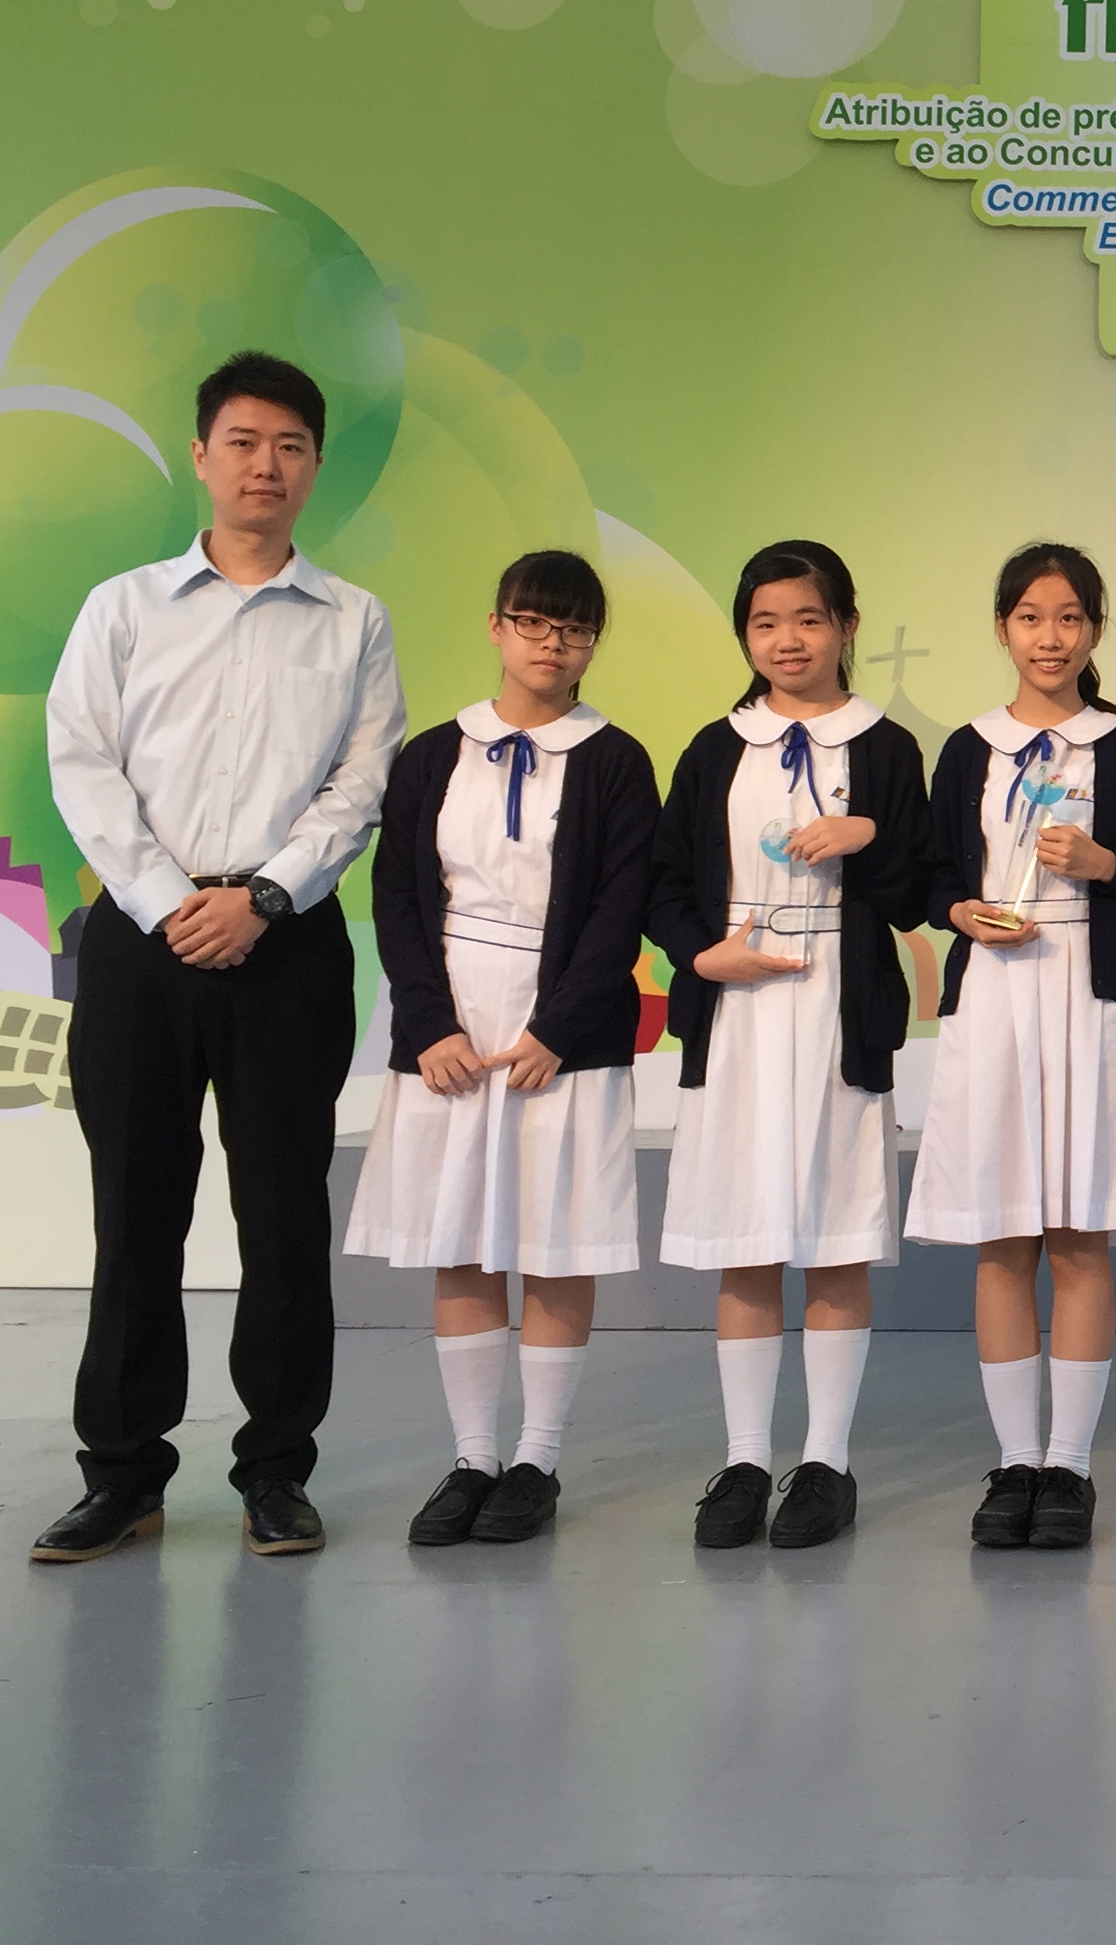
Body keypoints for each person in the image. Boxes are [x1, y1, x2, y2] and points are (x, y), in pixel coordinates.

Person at [32, 351, 405, 1564]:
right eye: (243, 442)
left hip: (285, 945)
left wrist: (265, 897)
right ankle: (122, 1474)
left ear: (315, 465)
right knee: (135, 1210)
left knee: (284, 1213)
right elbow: (82, 762)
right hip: (141, 946)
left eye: (290, 446)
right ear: (202, 456)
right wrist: (164, 901)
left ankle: (276, 1472)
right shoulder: (124, 607)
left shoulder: (354, 621)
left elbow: (360, 784)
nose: (266, 465)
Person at [346, 550, 659, 1548]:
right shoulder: (433, 754)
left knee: (556, 1241)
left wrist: (556, 1029)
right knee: (462, 1240)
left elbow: (621, 907)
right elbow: (397, 897)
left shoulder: (614, 759)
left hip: (561, 1029)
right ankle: (473, 1456)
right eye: (533, 622)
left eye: (573, 629)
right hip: (452, 1025)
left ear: (591, 645)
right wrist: (427, 1025)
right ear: (496, 626)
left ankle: (537, 1460)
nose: (551, 644)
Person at [649, 541, 932, 1551]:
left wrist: (868, 838)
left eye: (808, 620)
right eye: (765, 623)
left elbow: (917, 891)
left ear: (846, 626)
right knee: (747, 1241)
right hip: (738, 1015)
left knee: (837, 1238)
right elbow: (662, 885)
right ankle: (742, 1461)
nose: (787, 641)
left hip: (838, 1015)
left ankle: (825, 1461)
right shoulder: (714, 748)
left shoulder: (886, 748)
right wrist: (701, 957)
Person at [907, 543, 1116, 1553]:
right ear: (1002, 628)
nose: (1050, 637)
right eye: (1031, 617)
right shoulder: (969, 748)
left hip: (1085, 994)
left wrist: (1105, 861)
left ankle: (1069, 1466)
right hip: (994, 996)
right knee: (1003, 1235)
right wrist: (960, 911)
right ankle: (1014, 1460)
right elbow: (927, 876)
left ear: (1094, 630)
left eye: (1070, 618)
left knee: (1077, 1234)